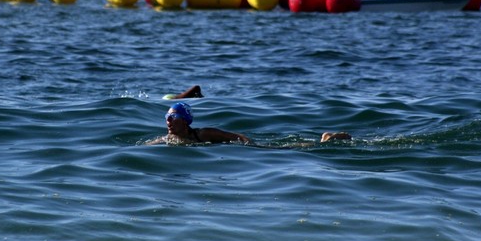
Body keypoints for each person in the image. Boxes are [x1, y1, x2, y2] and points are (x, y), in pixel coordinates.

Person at [146, 102, 351, 146]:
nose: (168, 121)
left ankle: (324, 142)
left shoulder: (203, 134)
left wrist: (249, 144)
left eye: (173, 117)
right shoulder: (168, 140)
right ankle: (324, 140)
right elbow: (148, 146)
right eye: (167, 117)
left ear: (185, 121)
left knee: (281, 149)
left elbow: (233, 135)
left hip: (248, 148)